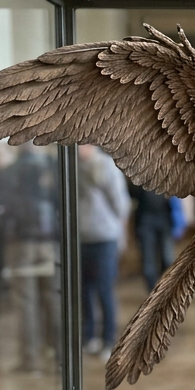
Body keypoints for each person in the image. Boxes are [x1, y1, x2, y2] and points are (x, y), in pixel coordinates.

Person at [0, 145, 60, 374]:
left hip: (20, 242)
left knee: (26, 302)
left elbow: (1, 211)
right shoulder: (53, 167)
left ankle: (31, 361)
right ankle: (61, 356)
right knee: (53, 298)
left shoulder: (8, 173)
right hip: (49, 240)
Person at [78, 145, 131, 360]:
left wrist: (121, 236)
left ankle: (108, 339)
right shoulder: (73, 167)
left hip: (104, 237)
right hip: (81, 238)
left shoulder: (106, 166)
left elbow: (121, 204)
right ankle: (89, 336)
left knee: (104, 290)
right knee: (84, 291)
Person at [127, 183, 179, 291]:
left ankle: (166, 290)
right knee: (148, 263)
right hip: (145, 221)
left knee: (167, 259)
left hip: (165, 219)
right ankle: (153, 294)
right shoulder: (138, 174)